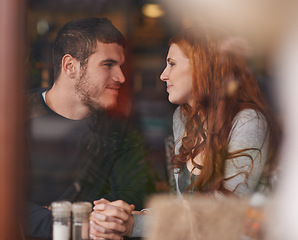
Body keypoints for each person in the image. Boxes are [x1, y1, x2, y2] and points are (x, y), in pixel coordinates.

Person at [88, 25, 281, 239]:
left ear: (203, 66)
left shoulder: (248, 122)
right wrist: (124, 216)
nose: (163, 75)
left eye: (171, 64)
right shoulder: (183, 118)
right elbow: (184, 209)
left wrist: (136, 223)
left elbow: (222, 216)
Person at [25, 17, 149, 239]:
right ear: (70, 66)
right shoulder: (14, 117)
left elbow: (133, 195)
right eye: (108, 65)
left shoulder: (120, 128)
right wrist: (77, 222)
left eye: (120, 66)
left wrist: (61, 214)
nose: (121, 77)